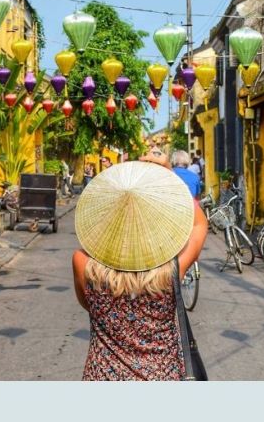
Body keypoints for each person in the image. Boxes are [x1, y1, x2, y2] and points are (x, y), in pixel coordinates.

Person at [72, 160, 208, 381]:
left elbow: (86, 304)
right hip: (163, 377)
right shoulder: (171, 271)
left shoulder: (82, 262)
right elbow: (199, 224)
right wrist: (169, 177)